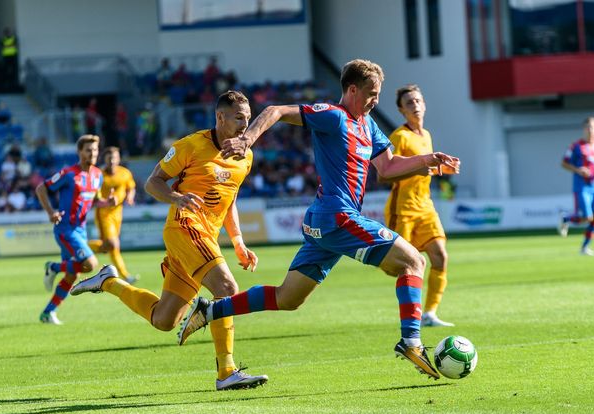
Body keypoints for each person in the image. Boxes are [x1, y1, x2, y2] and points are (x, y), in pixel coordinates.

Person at [179, 59, 459, 381]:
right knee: (413, 262)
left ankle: (210, 310)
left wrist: (428, 160)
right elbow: (275, 110)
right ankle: (411, 342)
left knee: (288, 298)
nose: (375, 101)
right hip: (336, 215)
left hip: (324, 221)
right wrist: (247, 139)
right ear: (352, 90)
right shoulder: (333, 116)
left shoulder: (368, 126)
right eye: (371, 93)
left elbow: (388, 167)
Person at [70, 91, 268, 391]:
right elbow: (152, 183)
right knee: (227, 289)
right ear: (220, 118)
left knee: (164, 320)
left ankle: (107, 281)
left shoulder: (245, 156)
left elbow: (230, 200)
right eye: (239, 117)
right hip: (184, 228)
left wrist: (238, 240)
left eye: (248, 117)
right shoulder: (190, 145)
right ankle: (226, 371)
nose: (245, 124)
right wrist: (177, 197)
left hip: (206, 237)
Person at [383, 84, 455, 327]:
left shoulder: (427, 136)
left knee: (440, 257)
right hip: (401, 210)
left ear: (424, 104)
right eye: (409, 103)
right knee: (398, 267)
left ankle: (429, 314)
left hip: (425, 207)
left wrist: (443, 169)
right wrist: (418, 167)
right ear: (402, 110)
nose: (415, 105)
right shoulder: (399, 137)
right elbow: (384, 174)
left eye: (418, 101)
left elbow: (424, 170)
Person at [35, 135, 116, 324]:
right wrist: (50, 212)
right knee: (90, 264)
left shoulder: (97, 175)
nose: (93, 153)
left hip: (80, 230)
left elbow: (93, 200)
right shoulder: (68, 173)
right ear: (79, 152)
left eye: (95, 150)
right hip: (65, 229)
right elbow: (41, 188)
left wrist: (106, 202)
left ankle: (48, 313)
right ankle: (52, 267)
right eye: (88, 150)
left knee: (72, 274)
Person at [558, 117, 594, 256]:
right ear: (584, 129)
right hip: (581, 186)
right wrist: (578, 170)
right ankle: (566, 219)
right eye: (589, 127)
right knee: (587, 217)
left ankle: (584, 247)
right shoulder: (576, 146)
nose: (592, 131)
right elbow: (564, 163)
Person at [87, 146, 138, 283]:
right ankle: (125, 275)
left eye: (114, 157)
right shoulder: (99, 176)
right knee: (112, 244)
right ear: (104, 159)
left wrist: (130, 197)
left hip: (117, 213)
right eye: (109, 158)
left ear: (119, 158)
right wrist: (106, 202)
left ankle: (81, 248)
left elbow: (130, 187)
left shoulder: (125, 173)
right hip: (103, 214)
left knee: (108, 246)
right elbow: (93, 199)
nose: (112, 161)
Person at [0, 27, 19, 91]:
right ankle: (6, 83)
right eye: (6, 32)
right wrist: (10, 45)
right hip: (6, 57)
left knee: (14, 70)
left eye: (8, 32)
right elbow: (3, 46)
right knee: (6, 70)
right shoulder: (3, 39)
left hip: (13, 56)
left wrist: (8, 46)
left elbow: (15, 45)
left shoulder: (13, 38)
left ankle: (14, 82)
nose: (7, 33)